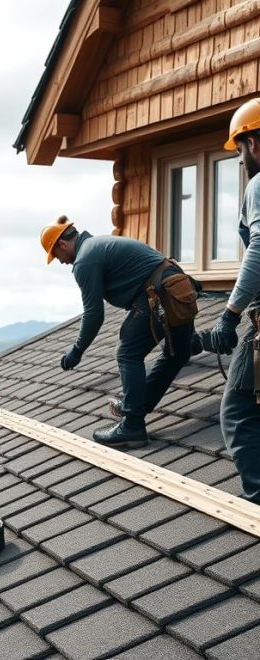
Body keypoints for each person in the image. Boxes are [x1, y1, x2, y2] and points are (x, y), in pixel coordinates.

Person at [42, 215, 197, 448]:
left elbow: (94, 314)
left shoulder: (85, 260)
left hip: (158, 294)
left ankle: (133, 426)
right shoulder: (100, 245)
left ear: (62, 245)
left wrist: (77, 350)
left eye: (57, 256)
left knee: (127, 353)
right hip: (178, 287)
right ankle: (138, 407)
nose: (62, 262)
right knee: (177, 353)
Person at [199, 97, 260, 503]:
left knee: (238, 411)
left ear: (253, 143)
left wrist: (230, 314)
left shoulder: (259, 183)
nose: (240, 161)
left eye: (239, 150)